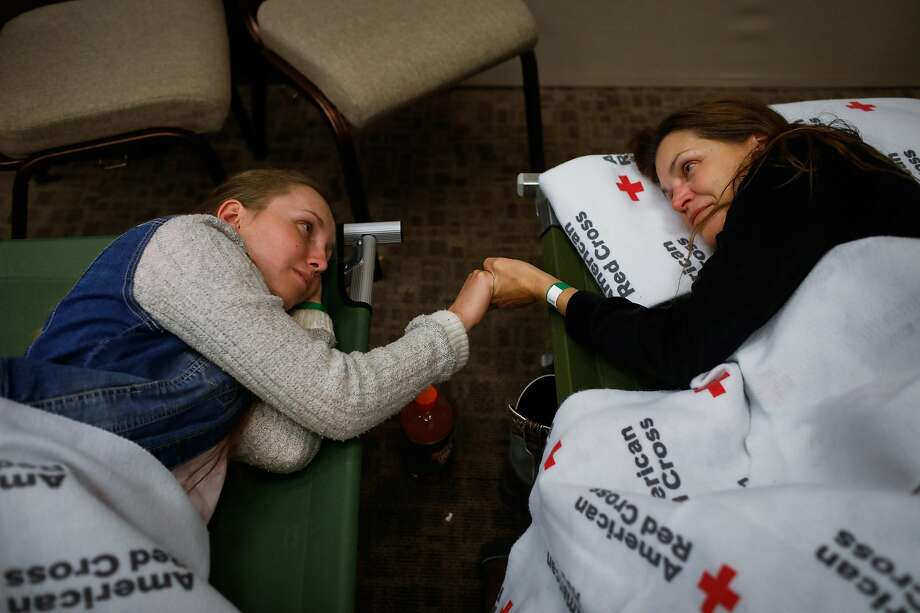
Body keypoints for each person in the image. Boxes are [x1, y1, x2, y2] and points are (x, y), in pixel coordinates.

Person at [0, 168, 493, 520]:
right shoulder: (188, 244)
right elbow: (341, 400)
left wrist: (312, 311)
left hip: (98, 521)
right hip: (33, 464)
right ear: (233, 217)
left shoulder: (229, 336)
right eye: (306, 228)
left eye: (326, 254)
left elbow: (287, 445)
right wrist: (457, 320)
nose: (320, 260)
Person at [484, 97, 920, 389]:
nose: (680, 200)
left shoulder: (791, 165)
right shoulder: (804, 196)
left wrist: (548, 288)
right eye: (669, 194)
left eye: (688, 168)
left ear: (756, 143)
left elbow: (678, 347)